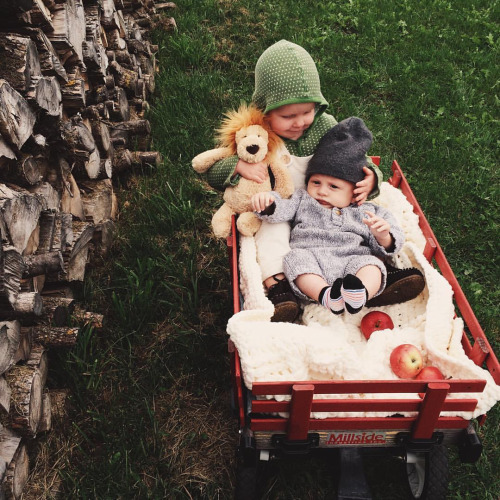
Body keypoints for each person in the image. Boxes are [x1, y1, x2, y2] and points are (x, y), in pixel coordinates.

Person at [205, 40, 424, 321]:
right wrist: (238, 168)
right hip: (282, 207)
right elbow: (213, 171)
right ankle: (279, 287)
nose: (299, 122)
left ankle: (375, 279)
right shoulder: (255, 134)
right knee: (270, 238)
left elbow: (355, 156)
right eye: (287, 116)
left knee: (360, 228)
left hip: (331, 200)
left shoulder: (324, 125)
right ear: (265, 110)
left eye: (307, 112)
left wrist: (372, 178)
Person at [251, 117, 407, 314]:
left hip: (352, 260)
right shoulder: (303, 199)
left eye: (333, 186)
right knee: (295, 260)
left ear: (355, 192)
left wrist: (383, 236)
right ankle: (326, 295)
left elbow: (392, 241)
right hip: (312, 258)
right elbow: (281, 209)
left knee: (372, 265)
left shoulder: (367, 210)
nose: (322, 191)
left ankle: (361, 294)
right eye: (316, 182)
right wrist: (268, 203)